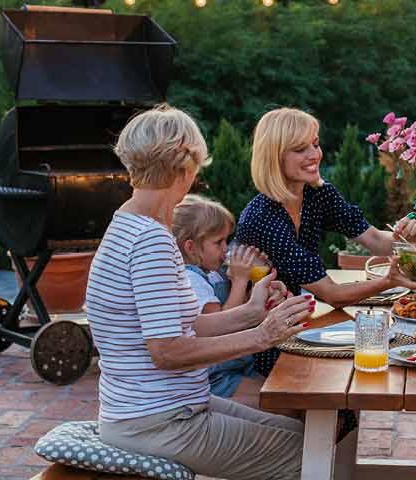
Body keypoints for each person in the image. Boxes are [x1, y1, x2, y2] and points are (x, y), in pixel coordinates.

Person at [88, 104, 317, 480]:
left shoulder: (127, 224)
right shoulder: (151, 241)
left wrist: (252, 312)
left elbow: (185, 325)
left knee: (306, 436)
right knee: (315, 457)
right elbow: (167, 351)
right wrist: (261, 337)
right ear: (186, 165)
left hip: (156, 411)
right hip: (159, 421)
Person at [235, 107, 416, 307]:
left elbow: (374, 239)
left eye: (315, 144)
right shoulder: (262, 219)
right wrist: (388, 281)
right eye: (299, 149)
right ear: (274, 157)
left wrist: (405, 240)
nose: (314, 155)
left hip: (292, 317)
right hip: (256, 326)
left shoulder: (317, 194)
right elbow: (331, 294)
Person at [171, 194, 269, 398]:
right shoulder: (191, 279)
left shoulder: (213, 273)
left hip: (238, 363)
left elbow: (243, 309)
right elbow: (224, 324)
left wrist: (256, 283)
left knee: (283, 395)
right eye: (218, 242)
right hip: (217, 377)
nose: (226, 249)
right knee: (278, 403)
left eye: (227, 240)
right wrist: (240, 280)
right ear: (191, 247)